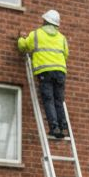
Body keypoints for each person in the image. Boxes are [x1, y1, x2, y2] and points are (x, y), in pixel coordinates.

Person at [17, 9, 70, 139]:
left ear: (45, 21)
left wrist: (20, 38)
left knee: (48, 99)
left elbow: (24, 46)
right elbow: (66, 55)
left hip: (45, 72)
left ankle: (54, 127)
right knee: (59, 100)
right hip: (60, 72)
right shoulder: (62, 38)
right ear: (56, 24)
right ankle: (63, 125)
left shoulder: (36, 34)